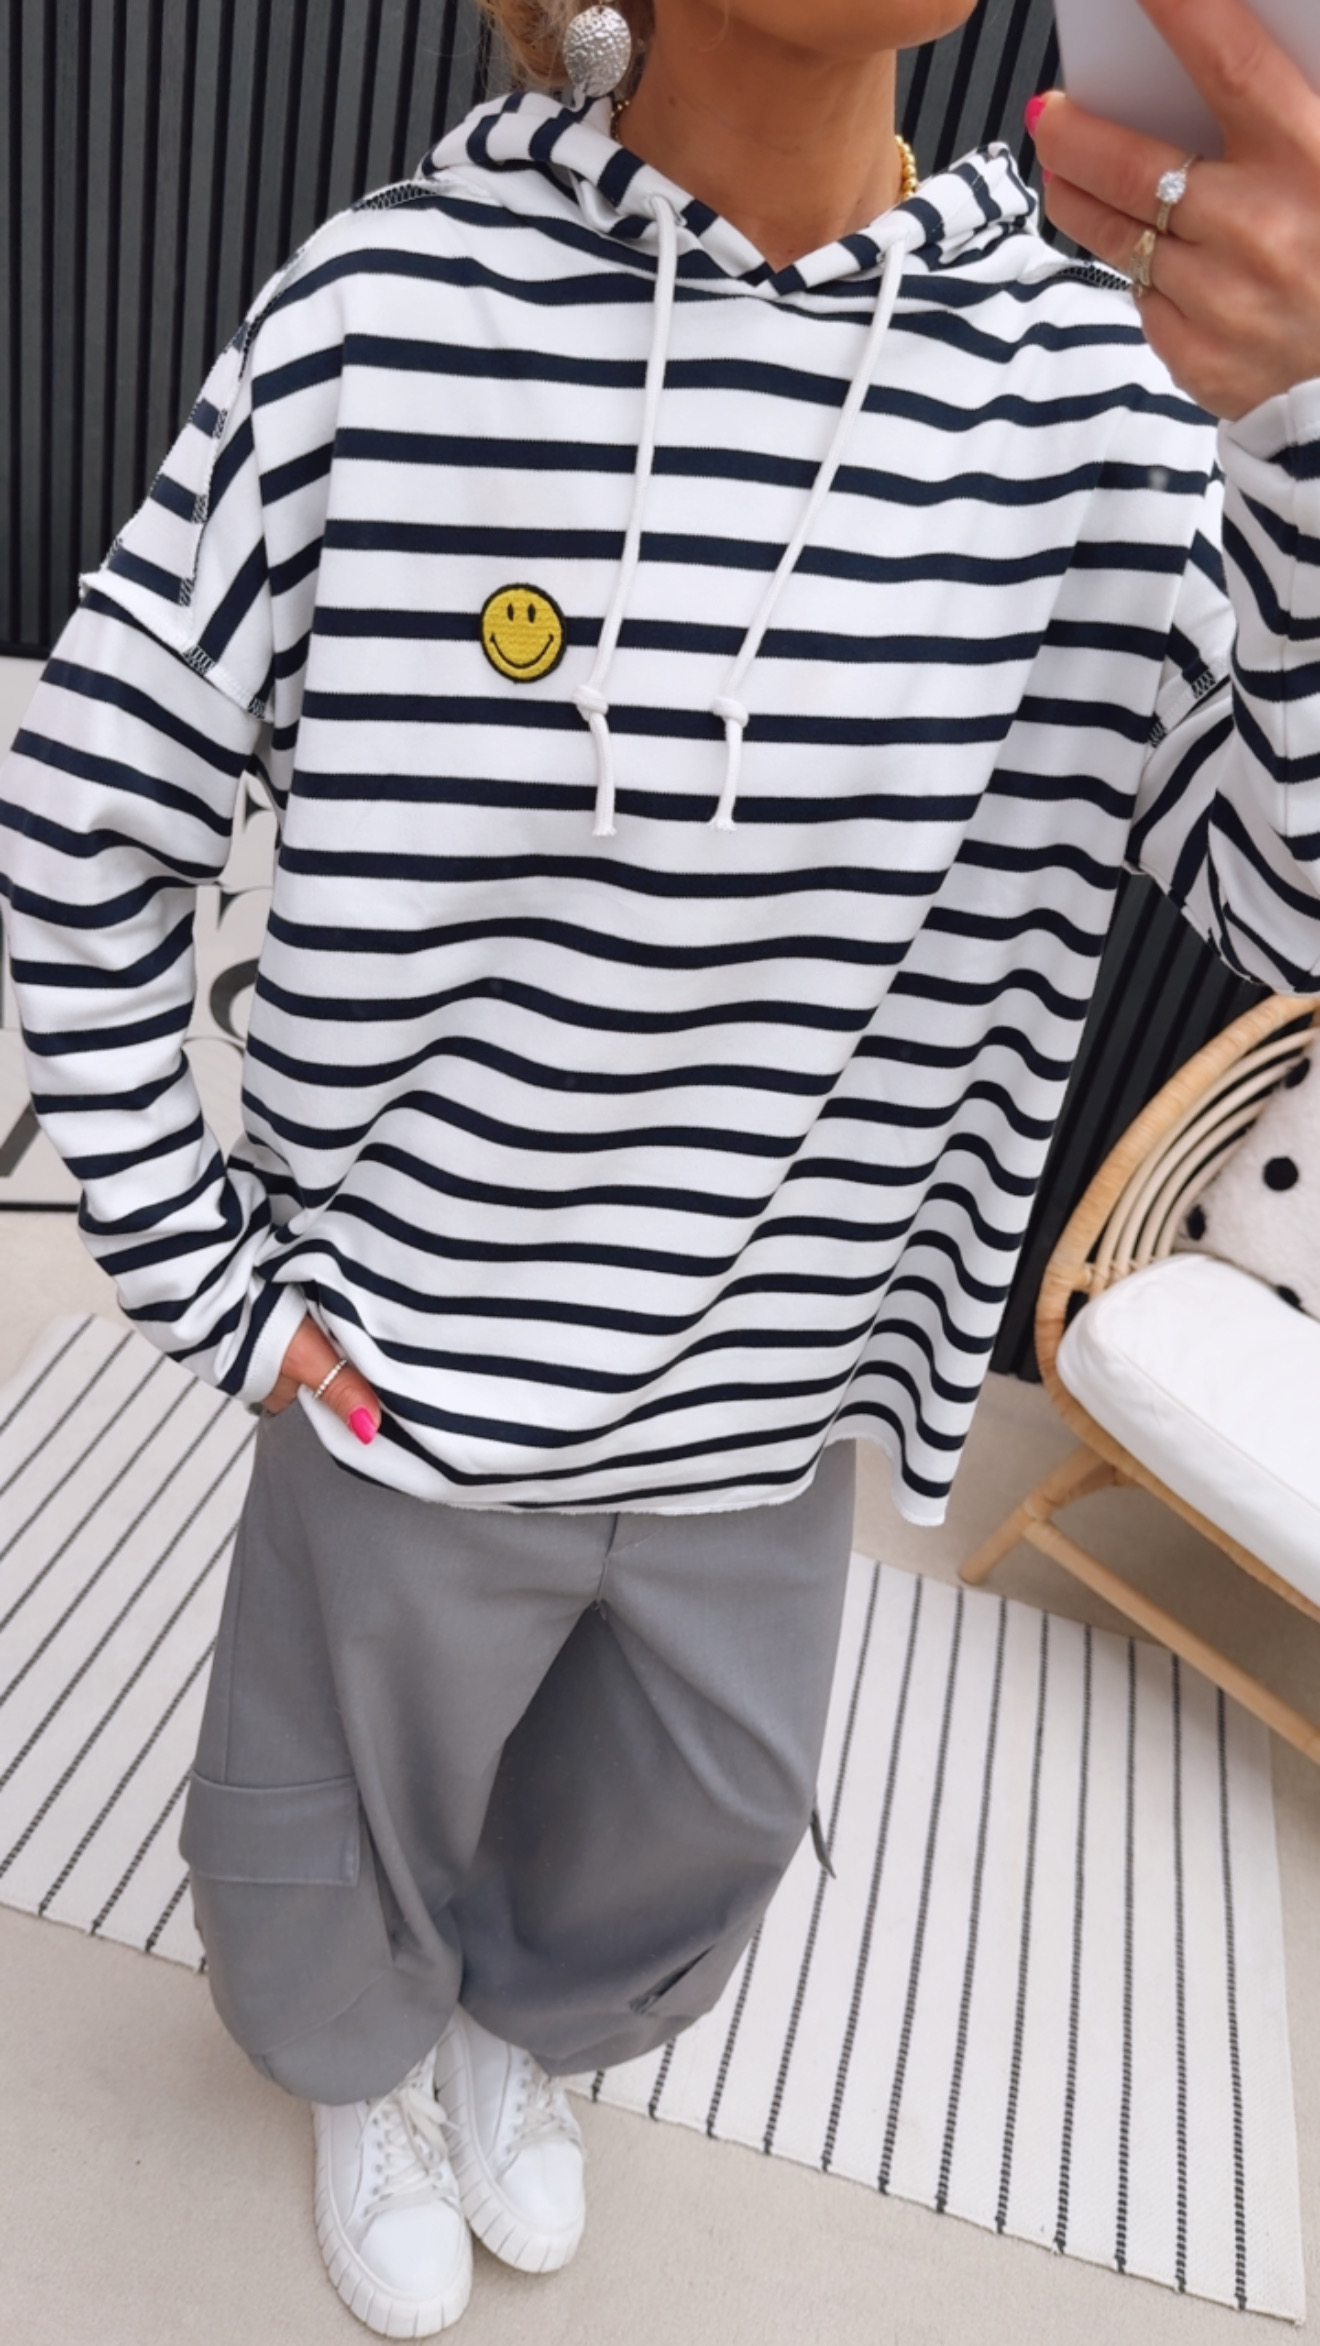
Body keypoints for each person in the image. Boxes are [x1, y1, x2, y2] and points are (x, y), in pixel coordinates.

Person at [3, 0, 1320, 2331]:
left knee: (689, 1820)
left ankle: (519, 2026)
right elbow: (89, 809)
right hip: (405, 1370)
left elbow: (1290, 909)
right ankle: (364, 2055)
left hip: (780, 1391)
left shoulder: (1103, 388)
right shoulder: (389, 311)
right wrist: (198, 1267)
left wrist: (1303, 429)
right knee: (333, 1810)